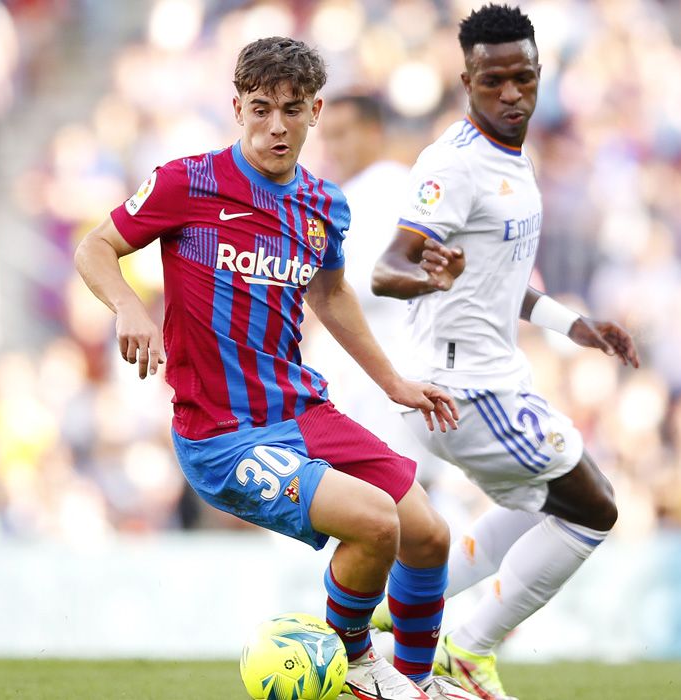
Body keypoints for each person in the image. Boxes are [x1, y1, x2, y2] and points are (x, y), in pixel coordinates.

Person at [74, 37, 483, 700]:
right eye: (260, 108)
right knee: (377, 522)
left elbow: (330, 294)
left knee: (429, 534)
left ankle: (414, 683)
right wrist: (128, 307)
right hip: (223, 435)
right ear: (236, 107)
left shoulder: (324, 205)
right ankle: (356, 671)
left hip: (300, 410)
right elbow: (97, 247)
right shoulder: (188, 183)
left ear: (315, 111)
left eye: (291, 110)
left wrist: (394, 384)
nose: (276, 126)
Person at [372, 6, 640, 700]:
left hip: (494, 382)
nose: (511, 94)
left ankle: (394, 619)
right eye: (494, 81)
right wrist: (429, 274)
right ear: (467, 80)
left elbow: (500, 280)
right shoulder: (454, 166)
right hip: (466, 392)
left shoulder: (511, 161)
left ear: (539, 74)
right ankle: (469, 648)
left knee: (532, 507)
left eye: (523, 78)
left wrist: (571, 324)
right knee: (595, 509)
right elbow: (385, 269)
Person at [316, 94, 453, 489]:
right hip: (386, 364)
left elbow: (373, 281)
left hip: (397, 361)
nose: (334, 146)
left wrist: (311, 283)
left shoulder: (386, 187)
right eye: (328, 136)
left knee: (395, 492)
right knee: (407, 495)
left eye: (343, 134)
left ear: (373, 131)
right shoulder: (375, 188)